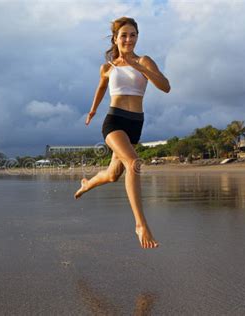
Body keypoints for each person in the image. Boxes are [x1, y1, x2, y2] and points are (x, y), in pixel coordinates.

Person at [74, 17, 170, 249]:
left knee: (112, 174)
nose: (128, 39)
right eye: (123, 35)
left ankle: (88, 184)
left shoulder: (144, 61)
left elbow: (166, 86)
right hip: (114, 121)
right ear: (115, 39)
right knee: (134, 163)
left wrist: (137, 66)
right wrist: (93, 110)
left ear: (137, 37)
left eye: (133, 35)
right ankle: (140, 224)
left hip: (135, 123)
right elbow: (100, 88)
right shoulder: (108, 67)